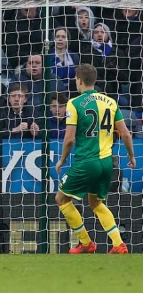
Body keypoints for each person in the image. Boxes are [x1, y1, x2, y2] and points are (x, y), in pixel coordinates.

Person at [55, 64, 136, 255]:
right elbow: (125, 134)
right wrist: (131, 156)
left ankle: (86, 243)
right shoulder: (110, 102)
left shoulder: (74, 103)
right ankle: (118, 244)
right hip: (108, 163)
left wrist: (62, 160)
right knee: (96, 203)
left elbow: (69, 139)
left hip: (87, 162)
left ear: (79, 80)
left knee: (61, 198)